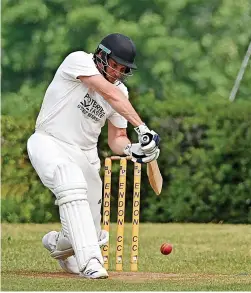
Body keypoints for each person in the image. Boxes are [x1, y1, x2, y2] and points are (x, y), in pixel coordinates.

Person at [27, 33, 161, 279]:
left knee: (87, 230)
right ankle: (92, 262)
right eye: (115, 65)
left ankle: (58, 244)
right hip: (50, 142)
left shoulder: (122, 93)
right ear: (101, 56)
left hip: (86, 157)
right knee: (69, 181)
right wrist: (143, 129)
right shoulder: (78, 60)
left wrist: (134, 149)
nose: (118, 73)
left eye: (123, 70)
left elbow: (116, 139)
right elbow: (108, 92)